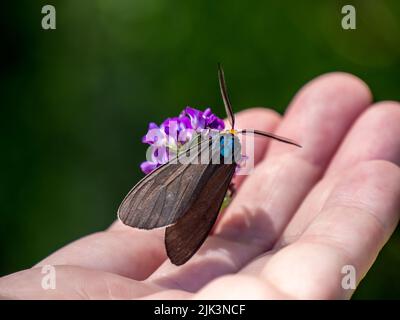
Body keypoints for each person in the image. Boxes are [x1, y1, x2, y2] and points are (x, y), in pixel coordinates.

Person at [1, 72, 400, 299]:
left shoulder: (213, 148)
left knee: (198, 195)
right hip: (201, 184)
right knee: (198, 195)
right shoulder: (222, 151)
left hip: (199, 183)